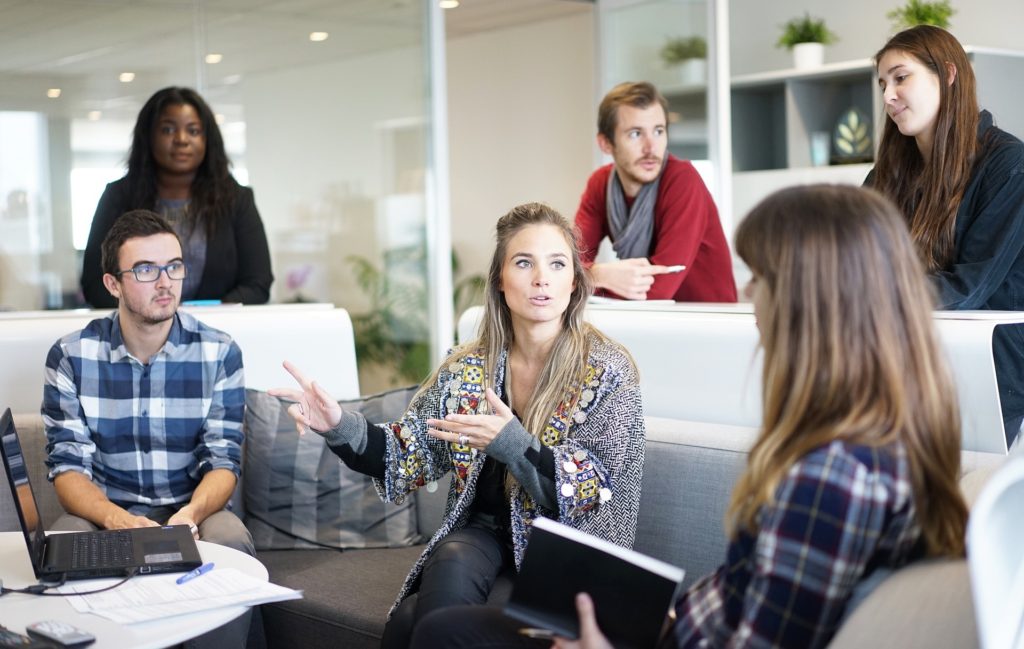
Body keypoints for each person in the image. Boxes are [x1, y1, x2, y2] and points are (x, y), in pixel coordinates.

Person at [408, 185, 969, 649]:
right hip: (673, 627)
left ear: (811, 302)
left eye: (761, 277)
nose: (748, 292)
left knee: (441, 633)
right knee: (432, 622)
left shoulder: (831, 478)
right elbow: (749, 599)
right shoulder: (871, 443)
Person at [271, 202, 646, 648]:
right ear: (500, 280)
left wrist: (511, 443)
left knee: (410, 620)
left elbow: (591, 487)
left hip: (567, 551)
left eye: (557, 264)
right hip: (483, 534)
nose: (541, 278)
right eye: (523, 262)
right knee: (449, 560)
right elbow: (407, 453)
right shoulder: (469, 367)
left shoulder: (608, 370)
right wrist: (336, 424)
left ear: (574, 282)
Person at [44, 210, 252, 556]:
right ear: (113, 284)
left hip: (192, 509)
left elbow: (223, 460)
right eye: (145, 270)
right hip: (105, 512)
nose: (165, 282)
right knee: (63, 542)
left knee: (230, 540)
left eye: (174, 266)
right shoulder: (70, 356)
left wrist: (190, 515)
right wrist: (116, 519)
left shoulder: (220, 352)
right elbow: (68, 467)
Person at [866, 25, 1024, 449]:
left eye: (901, 78)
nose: (888, 96)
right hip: (907, 363)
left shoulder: (1009, 164)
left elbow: (969, 287)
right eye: (883, 84)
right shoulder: (886, 176)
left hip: (992, 374)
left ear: (948, 74)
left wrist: (866, 296)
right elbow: (854, 261)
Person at [81, 86, 273, 308]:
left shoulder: (237, 200)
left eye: (193, 131)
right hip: (138, 327)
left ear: (208, 139)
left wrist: (203, 317)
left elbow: (257, 284)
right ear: (148, 136)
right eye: (168, 130)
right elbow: (95, 284)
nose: (182, 139)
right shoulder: (118, 197)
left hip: (217, 326)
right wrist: (152, 314)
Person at [574, 81, 736, 302]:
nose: (651, 147)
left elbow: (657, 291)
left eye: (658, 131)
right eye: (635, 134)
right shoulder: (600, 184)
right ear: (606, 144)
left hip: (707, 318)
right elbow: (566, 265)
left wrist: (587, 278)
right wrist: (599, 274)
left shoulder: (682, 180)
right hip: (647, 317)